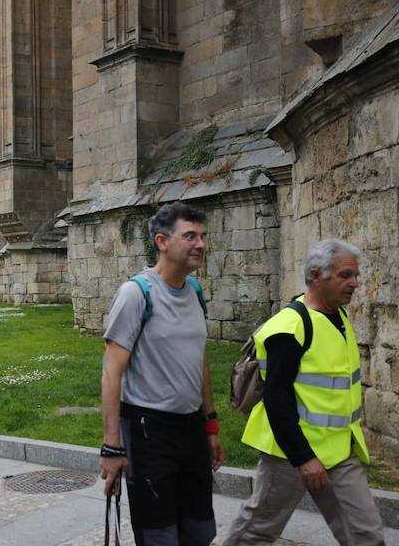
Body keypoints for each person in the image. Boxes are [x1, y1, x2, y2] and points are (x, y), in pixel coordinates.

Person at [223, 239, 383, 545]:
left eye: (356, 276)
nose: (355, 283)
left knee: (365, 533)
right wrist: (304, 458)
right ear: (315, 276)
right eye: (345, 275)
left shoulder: (339, 316)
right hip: (289, 453)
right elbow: (276, 398)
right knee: (257, 530)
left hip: (338, 450)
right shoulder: (289, 326)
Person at [100, 202, 221, 546]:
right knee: (160, 536)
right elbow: (111, 375)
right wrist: (112, 448)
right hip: (148, 432)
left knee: (199, 531)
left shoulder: (195, 291)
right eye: (190, 236)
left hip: (192, 430)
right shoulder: (136, 293)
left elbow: (200, 360)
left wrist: (210, 424)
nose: (199, 244)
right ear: (162, 241)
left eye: (202, 236)